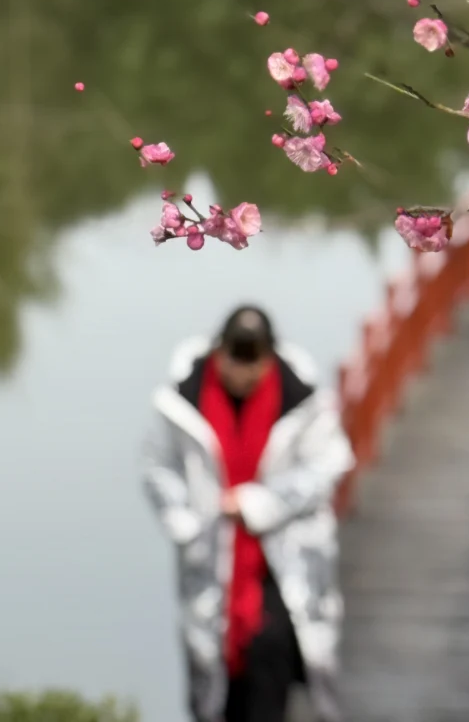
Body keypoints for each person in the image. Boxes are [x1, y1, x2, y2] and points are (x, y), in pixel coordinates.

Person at [143, 306, 354, 722]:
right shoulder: (181, 402)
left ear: (269, 359)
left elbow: (329, 464)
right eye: (235, 363)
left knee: (269, 658)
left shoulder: (301, 400)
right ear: (219, 353)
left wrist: (259, 504)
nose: (243, 376)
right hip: (210, 556)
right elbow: (156, 467)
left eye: (253, 365)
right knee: (213, 673)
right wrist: (185, 522)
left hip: (282, 558)